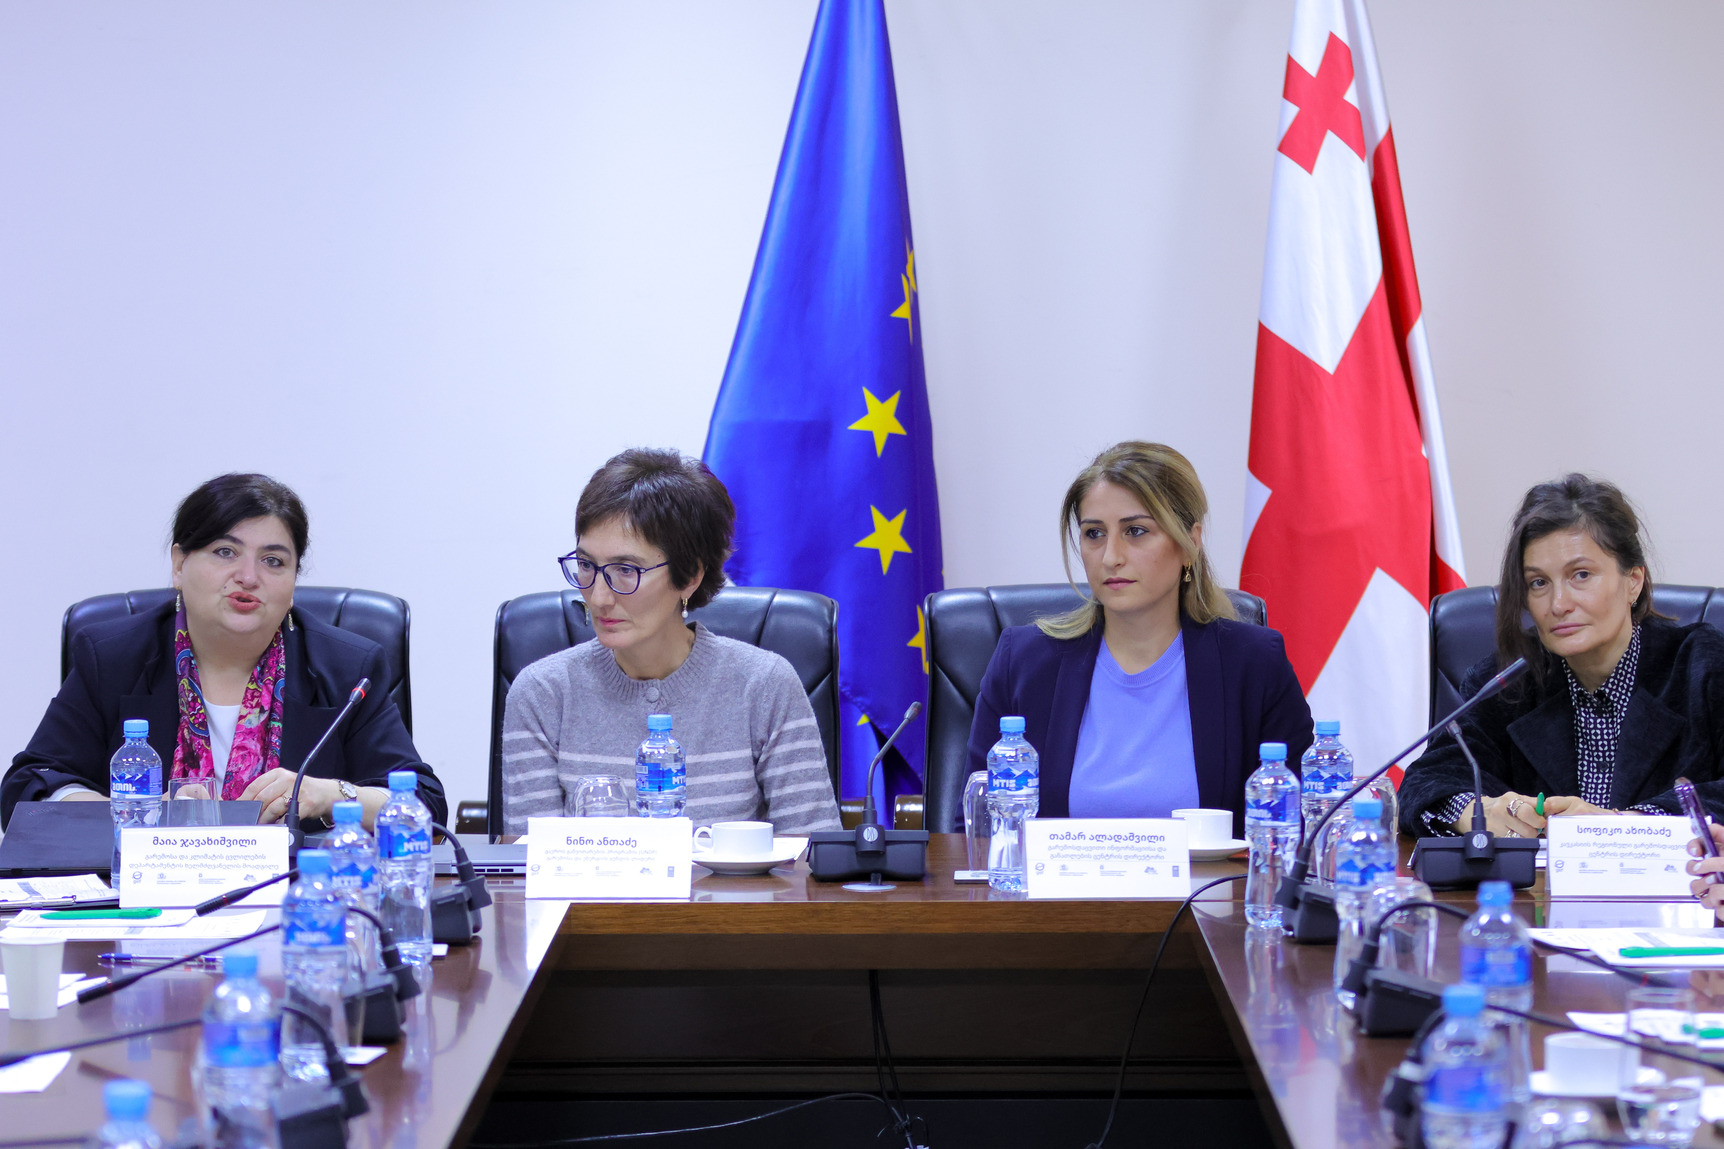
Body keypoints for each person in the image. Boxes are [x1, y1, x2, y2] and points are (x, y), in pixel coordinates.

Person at [2, 473, 445, 831]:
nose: (248, 576)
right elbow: (28, 789)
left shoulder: (347, 668)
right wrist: (138, 812)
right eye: (225, 552)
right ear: (179, 565)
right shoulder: (114, 657)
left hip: (297, 894)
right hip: (144, 896)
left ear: (293, 582)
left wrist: (331, 795)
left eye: (273, 561)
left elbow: (423, 807)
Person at [966, 441, 1313, 837]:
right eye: (1094, 533)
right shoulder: (1024, 662)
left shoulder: (1254, 664)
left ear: (1190, 543)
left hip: (1205, 882)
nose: (1111, 556)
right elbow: (976, 827)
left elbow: (1297, 827)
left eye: (1135, 531)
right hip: (1057, 882)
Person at [500, 448, 841, 835]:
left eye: (626, 570)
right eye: (586, 565)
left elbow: (810, 852)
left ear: (690, 576)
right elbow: (530, 859)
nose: (599, 597)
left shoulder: (764, 685)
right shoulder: (542, 693)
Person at [1399, 474, 1724, 838]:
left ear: (1633, 581)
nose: (1558, 604)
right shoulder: (1506, 684)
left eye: (1581, 575)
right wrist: (1477, 811)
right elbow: (1424, 783)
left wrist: (1625, 824)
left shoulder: (1705, 667)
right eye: (1539, 582)